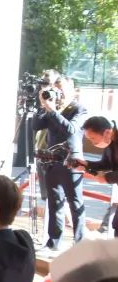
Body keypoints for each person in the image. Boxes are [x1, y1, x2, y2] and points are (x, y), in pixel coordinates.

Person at [35, 76, 87, 251]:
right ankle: (53, 241)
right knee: (54, 202)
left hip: (71, 161)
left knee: (75, 203)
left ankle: (79, 244)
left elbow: (70, 130)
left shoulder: (80, 109)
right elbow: (36, 125)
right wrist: (42, 104)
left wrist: (52, 110)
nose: (59, 93)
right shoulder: (53, 109)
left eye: (62, 89)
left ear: (73, 90)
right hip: (52, 160)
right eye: (56, 89)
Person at [70, 115, 118, 236]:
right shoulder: (109, 142)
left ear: (107, 132)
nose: (93, 143)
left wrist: (107, 178)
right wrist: (86, 164)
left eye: (93, 138)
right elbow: (106, 164)